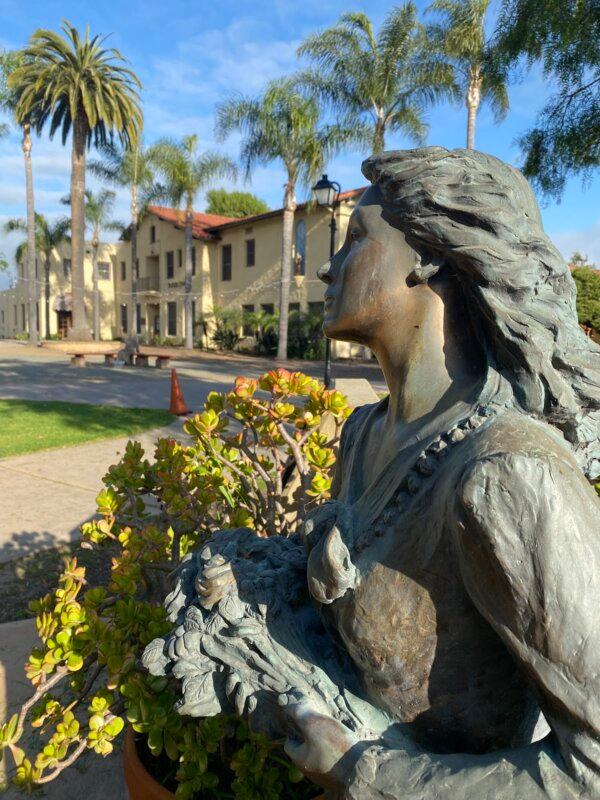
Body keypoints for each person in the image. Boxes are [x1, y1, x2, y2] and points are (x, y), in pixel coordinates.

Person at [281, 147, 600, 799]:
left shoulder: (507, 475)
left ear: (427, 256)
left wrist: (363, 774)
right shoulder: (365, 434)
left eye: (354, 242)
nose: (326, 269)